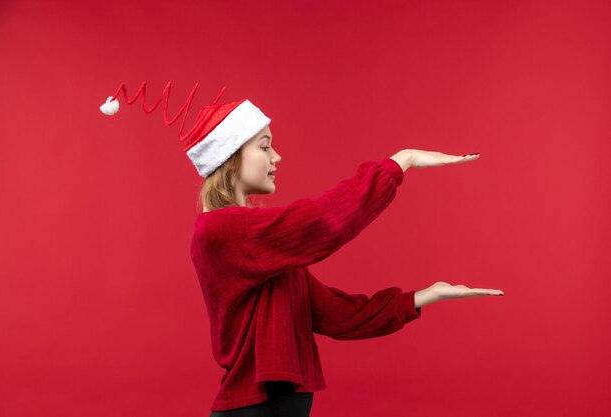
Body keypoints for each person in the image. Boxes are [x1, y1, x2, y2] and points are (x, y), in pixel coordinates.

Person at [100, 84, 503, 416]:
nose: (277, 157)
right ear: (230, 158)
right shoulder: (224, 232)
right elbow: (324, 222)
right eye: (264, 146)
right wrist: (401, 162)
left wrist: (421, 296)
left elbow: (333, 314)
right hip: (252, 411)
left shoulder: (262, 248)